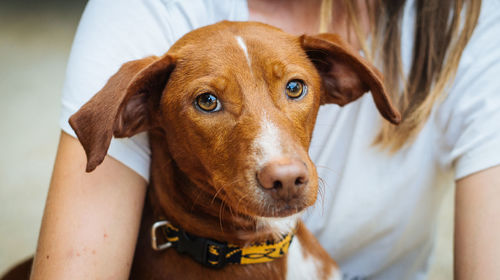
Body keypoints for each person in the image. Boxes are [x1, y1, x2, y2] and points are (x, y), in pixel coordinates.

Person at [30, 0, 500, 279]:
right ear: (137, 110)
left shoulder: (471, 22)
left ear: (343, 82)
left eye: (295, 89)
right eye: (209, 101)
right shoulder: (145, 13)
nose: (281, 166)